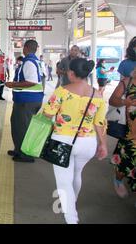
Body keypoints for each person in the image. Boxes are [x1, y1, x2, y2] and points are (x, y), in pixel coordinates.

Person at [42, 58, 107, 224]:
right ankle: (71, 202)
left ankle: (71, 218)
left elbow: (48, 113)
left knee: (64, 181)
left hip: (62, 141)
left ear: (71, 73)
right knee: (76, 174)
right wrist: (103, 144)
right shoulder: (97, 95)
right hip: (88, 143)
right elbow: (99, 122)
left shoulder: (62, 92)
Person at [5, 40, 44, 163]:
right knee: (18, 125)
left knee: (22, 127)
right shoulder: (37, 61)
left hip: (27, 101)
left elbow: (32, 81)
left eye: (23, 47)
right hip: (31, 100)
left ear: (26, 48)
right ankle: (19, 149)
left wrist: (13, 84)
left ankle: (25, 154)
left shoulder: (29, 62)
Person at [109, 66, 136, 198]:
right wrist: (125, 102)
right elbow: (112, 100)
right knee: (125, 161)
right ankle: (118, 179)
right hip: (130, 132)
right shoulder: (128, 81)